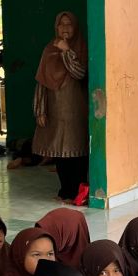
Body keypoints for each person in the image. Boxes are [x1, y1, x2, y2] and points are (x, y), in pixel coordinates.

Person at [32, 11, 89, 204]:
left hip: (75, 111)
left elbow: (79, 72)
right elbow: (41, 81)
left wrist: (66, 51)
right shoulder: (49, 49)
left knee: (77, 152)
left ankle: (77, 192)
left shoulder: (80, 47)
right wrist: (40, 109)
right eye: (61, 25)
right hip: (55, 110)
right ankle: (64, 190)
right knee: (59, 153)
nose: (65, 28)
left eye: (69, 24)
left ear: (75, 27)